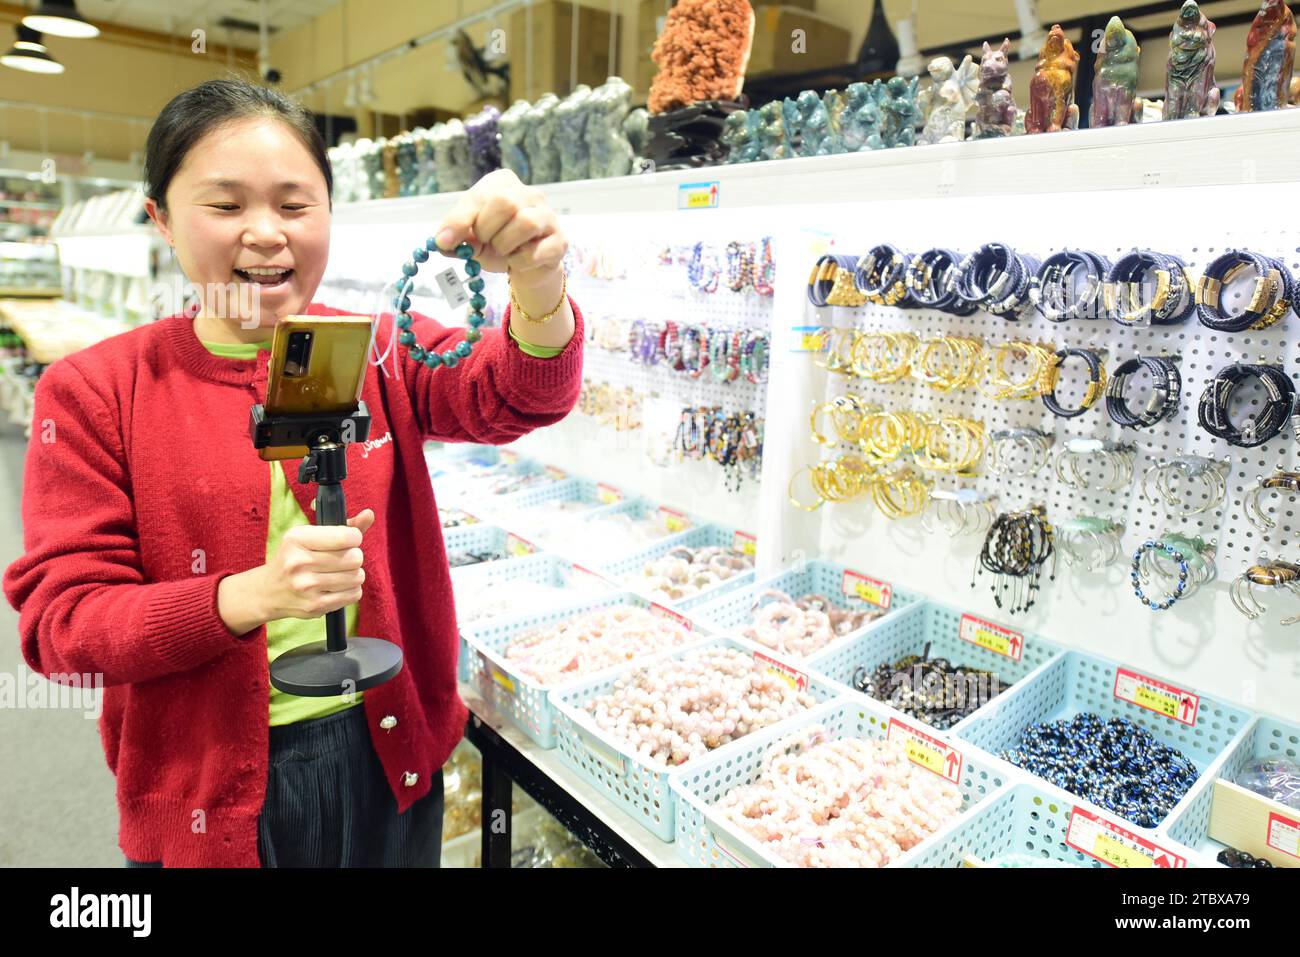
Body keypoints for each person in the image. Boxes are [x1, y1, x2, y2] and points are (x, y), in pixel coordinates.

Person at [2, 77, 584, 867]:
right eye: (227, 205)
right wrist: (246, 597)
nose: (267, 234)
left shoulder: (376, 349)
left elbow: (511, 394)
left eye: (294, 204)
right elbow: (64, 624)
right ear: (162, 219)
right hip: (210, 788)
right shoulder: (98, 391)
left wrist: (538, 282)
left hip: (387, 756)